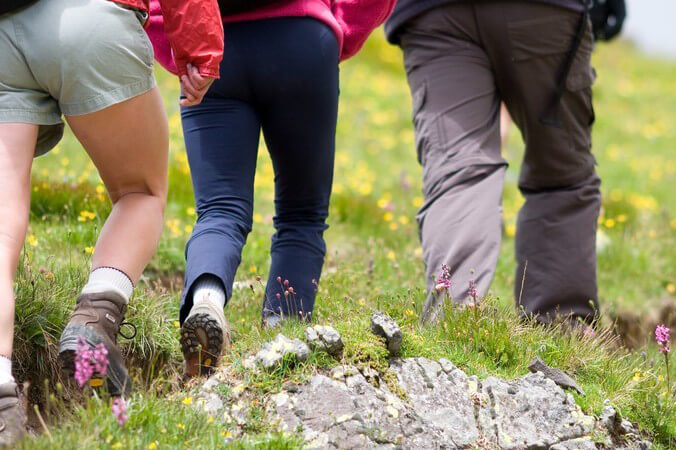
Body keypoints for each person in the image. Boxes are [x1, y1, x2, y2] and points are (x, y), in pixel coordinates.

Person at [0, 0, 222, 445]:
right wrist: (201, 51)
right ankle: (95, 316)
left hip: (4, 34)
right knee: (141, 192)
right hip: (91, 20)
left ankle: (2, 393)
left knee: (3, 228)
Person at [147, 0, 396, 377]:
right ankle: (282, 335)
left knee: (219, 211)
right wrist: (336, 31)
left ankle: (207, 300)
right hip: (302, 37)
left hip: (214, 49)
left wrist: (185, 52)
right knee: (301, 215)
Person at [385, 0, 623, 325]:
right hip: (544, 12)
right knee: (561, 175)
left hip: (433, 14)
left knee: (459, 173)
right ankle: (560, 324)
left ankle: (453, 323)